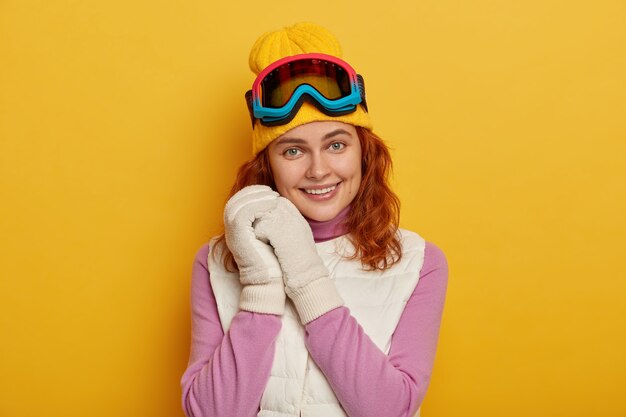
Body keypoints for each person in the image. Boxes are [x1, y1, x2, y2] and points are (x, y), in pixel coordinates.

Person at [180, 22, 448, 417]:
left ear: (364, 152)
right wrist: (259, 282)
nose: (319, 170)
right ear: (267, 164)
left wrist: (305, 277)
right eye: (292, 151)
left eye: (336, 144)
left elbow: (390, 411)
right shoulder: (215, 262)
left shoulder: (418, 262)